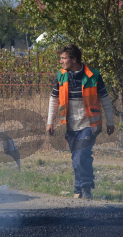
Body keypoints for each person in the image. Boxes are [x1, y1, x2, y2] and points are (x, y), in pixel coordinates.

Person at [46, 44, 115, 200]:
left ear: (74, 59)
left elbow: (105, 100)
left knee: (80, 156)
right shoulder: (61, 76)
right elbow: (54, 99)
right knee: (77, 157)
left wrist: (110, 122)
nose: (61, 61)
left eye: (63, 58)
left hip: (88, 125)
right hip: (69, 125)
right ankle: (80, 187)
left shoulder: (93, 76)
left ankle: (85, 190)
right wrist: (49, 122)